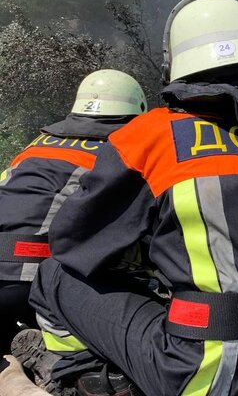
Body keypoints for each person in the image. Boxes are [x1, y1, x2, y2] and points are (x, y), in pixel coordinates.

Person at [23, 0, 238, 396]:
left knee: (55, 273)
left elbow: (74, 243)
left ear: (176, 69)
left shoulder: (151, 137)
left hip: (197, 376)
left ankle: (85, 377)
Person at [0, 69, 147, 355]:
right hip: (37, 280)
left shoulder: (38, 143)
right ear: (137, 113)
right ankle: (65, 364)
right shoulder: (121, 151)